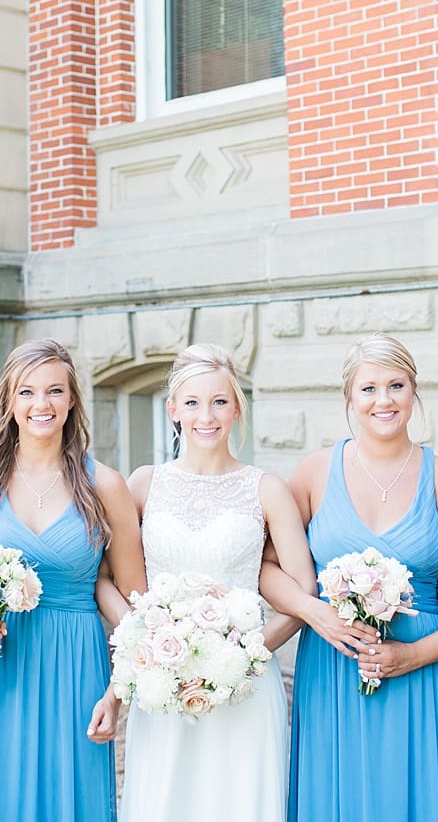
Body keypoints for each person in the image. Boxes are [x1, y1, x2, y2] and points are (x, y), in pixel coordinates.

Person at [261, 333, 438, 822]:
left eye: (397, 385)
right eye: (369, 388)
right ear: (349, 397)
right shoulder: (313, 473)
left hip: (425, 677)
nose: (384, 400)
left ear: (414, 392)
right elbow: (266, 568)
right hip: (332, 671)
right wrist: (316, 614)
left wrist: (413, 655)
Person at [0, 338, 146, 822]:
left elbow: (136, 606)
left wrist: (117, 692)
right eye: (26, 392)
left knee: (68, 797)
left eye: (54, 391)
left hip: (74, 666)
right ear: (8, 401)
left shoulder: (104, 485)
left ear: (71, 401)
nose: (40, 404)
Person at [110, 344, 314, 821]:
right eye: (194, 402)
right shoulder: (143, 484)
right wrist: (145, 640)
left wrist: (245, 654)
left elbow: (301, 595)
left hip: (242, 686)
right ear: (173, 410)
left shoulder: (266, 489)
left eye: (220, 401)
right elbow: (110, 580)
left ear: (237, 408)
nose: (207, 415)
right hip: (162, 681)